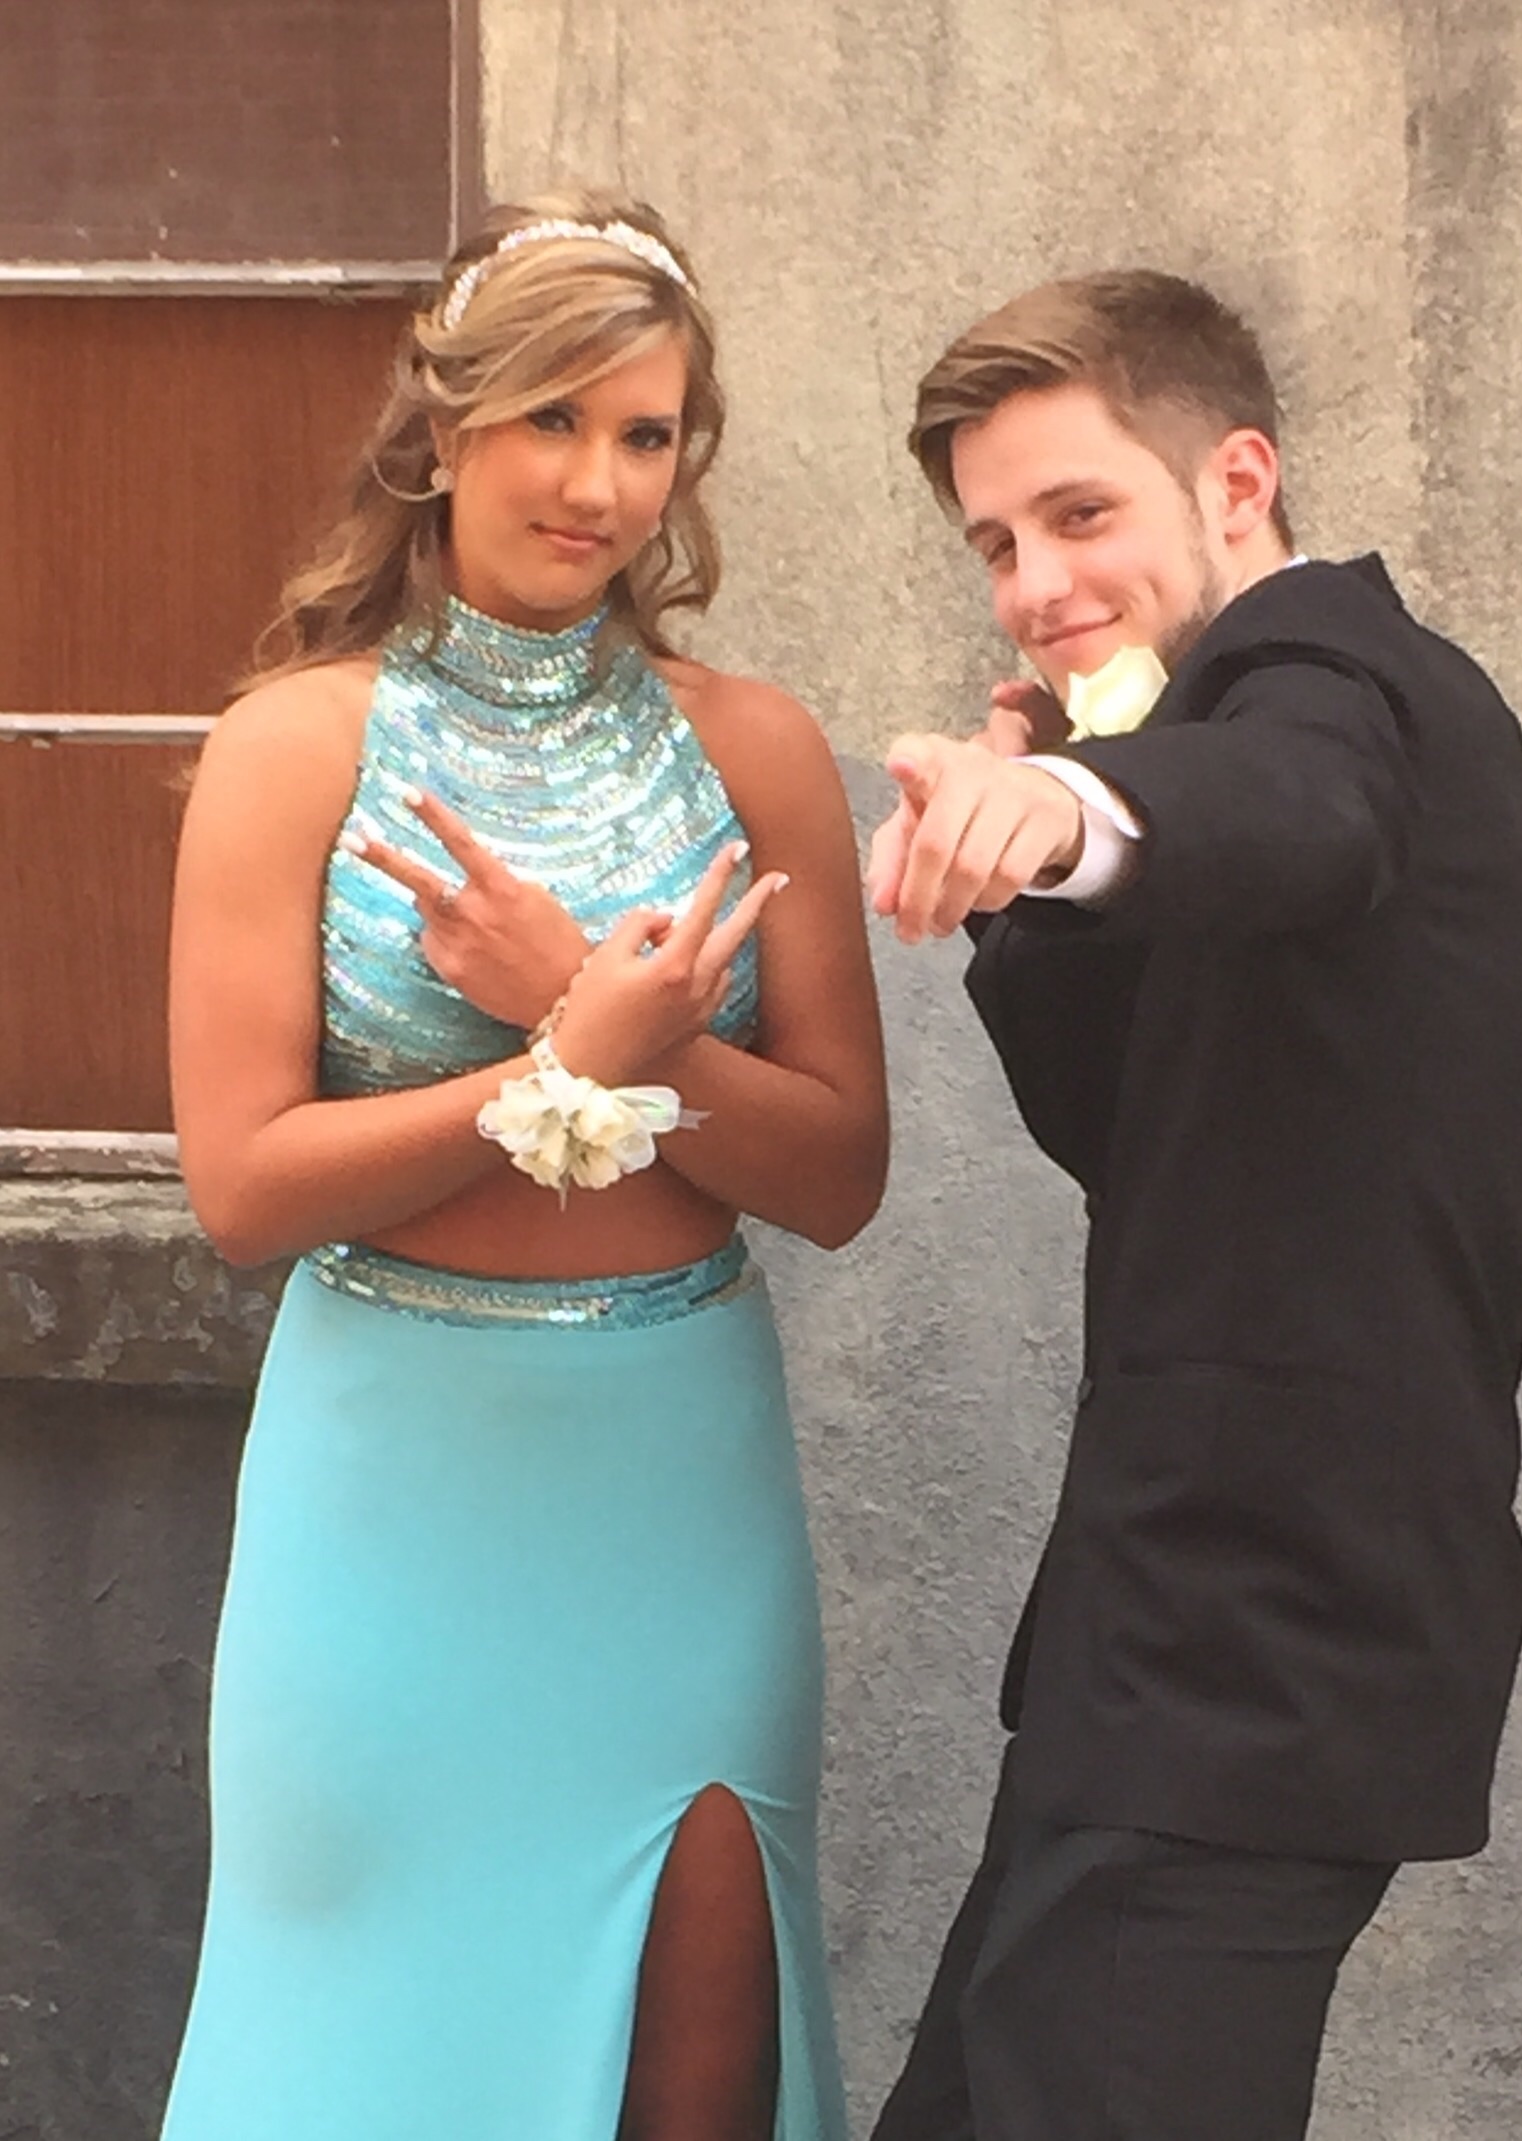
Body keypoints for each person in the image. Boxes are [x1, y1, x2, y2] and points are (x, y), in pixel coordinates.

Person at [162, 190, 887, 2141]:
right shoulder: (294, 748)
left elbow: (836, 1173)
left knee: (699, 2061)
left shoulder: (756, 750)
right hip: (387, 1481)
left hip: (672, 1473)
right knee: (362, 2064)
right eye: (552, 417)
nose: (595, 482)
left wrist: (603, 1023)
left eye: (644, 432)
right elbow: (242, 1189)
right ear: (443, 422)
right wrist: (550, 1067)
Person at [865, 269, 1522, 2141]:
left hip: (1252, 1655)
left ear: (1235, 480)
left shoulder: (1343, 678)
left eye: (1078, 512)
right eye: (996, 544)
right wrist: (1037, 846)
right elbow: (1142, 1135)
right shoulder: (1217, 740)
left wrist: (1077, 815)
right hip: (1152, 1658)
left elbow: (1297, 798)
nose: (1034, 584)